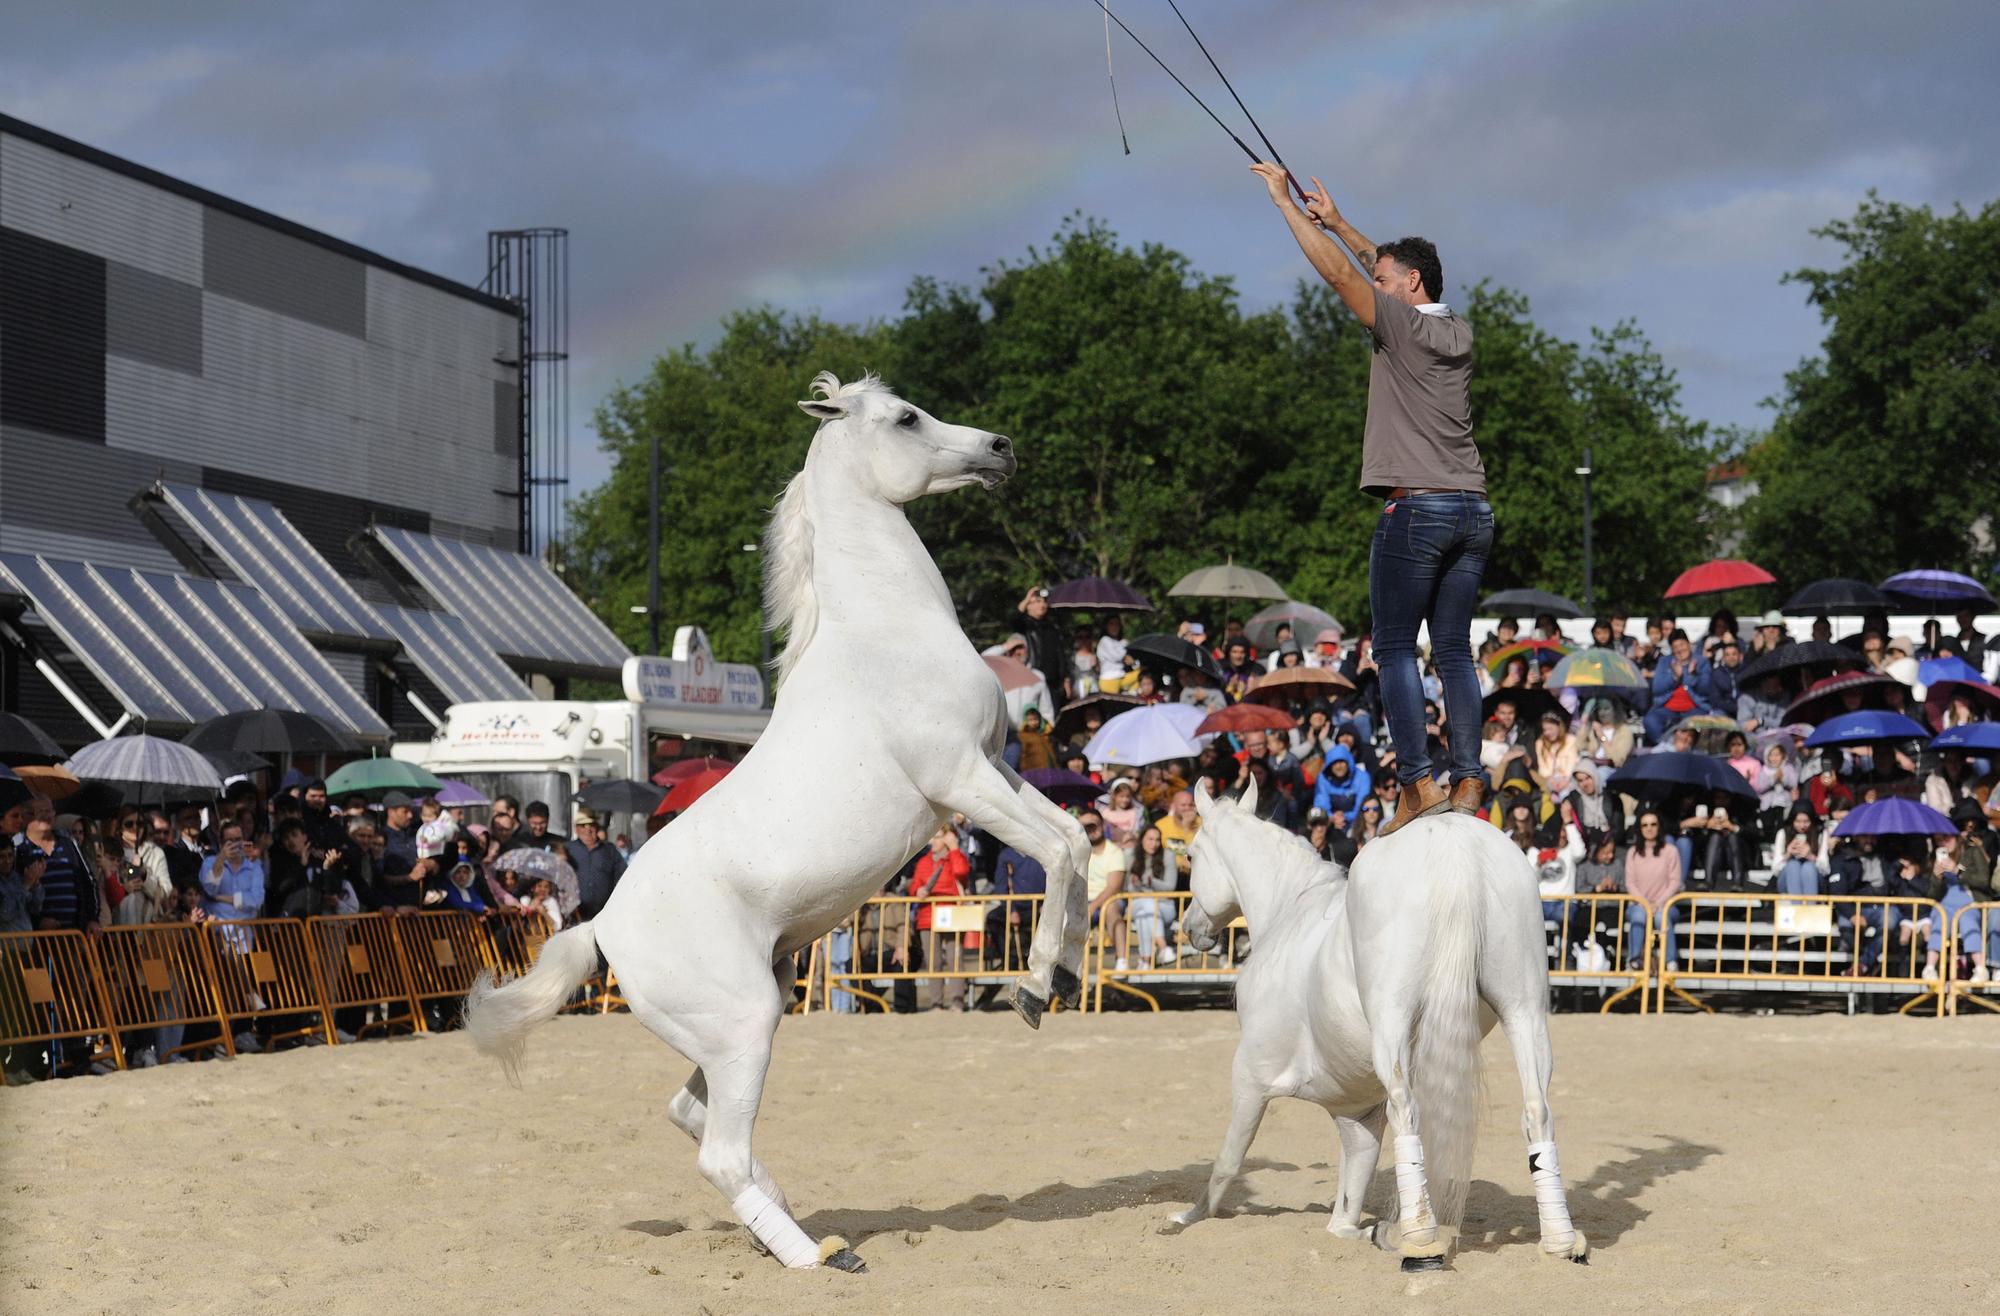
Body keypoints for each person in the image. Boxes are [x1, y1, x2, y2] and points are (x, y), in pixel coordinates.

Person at [1250, 161, 1488, 830]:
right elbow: (1378, 269)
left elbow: (1340, 277)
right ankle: (1468, 778)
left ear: (1408, 286)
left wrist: (1285, 207)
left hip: (1417, 508)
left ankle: (1416, 785)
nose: (1375, 285)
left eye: (1385, 280)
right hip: (1474, 509)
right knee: (1452, 651)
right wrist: (1341, 222)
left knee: (1390, 650)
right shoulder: (1455, 330)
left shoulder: (1401, 327)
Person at [910, 825, 969, 1011]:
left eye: (937, 837)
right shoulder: (923, 862)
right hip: (928, 915)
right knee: (933, 962)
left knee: (955, 959)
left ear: (947, 838)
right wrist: (917, 891)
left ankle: (957, 1002)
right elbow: (914, 887)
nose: (932, 841)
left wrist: (954, 848)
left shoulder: (955, 858)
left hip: (952, 913)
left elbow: (962, 872)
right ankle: (936, 1003)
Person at [1625, 809, 1683, 971]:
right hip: (1639, 905)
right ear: (1640, 828)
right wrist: (1644, 903)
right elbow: (1630, 883)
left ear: (1659, 827)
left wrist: (1658, 903)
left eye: (1653, 824)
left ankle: (1670, 961)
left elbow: (1675, 882)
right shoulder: (1633, 853)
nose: (1649, 828)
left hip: (1665, 905)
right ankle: (1634, 960)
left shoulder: (1670, 851)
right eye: (1644, 825)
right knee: (1638, 915)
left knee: (1660, 916)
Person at [1079, 810, 1130, 972]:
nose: (1090, 830)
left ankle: (1122, 960)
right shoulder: (1077, 852)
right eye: (1085, 827)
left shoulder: (1114, 851)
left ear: (1102, 826)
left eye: (1093, 825)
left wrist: (1092, 907)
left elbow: (1113, 887)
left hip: (1107, 900)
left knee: (1111, 908)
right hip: (1082, 901)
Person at [1644, 630, 1712, 742]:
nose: (1680, 650)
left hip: (1694, 708)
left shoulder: (1701, 662)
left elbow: (1705, 690)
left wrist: (1692, 676)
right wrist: (1675, 677)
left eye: (1682, 645)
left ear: (1688, 644)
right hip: (1666, 708)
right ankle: (1666, 747)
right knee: (1650, 721)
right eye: (1675, 647)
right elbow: (1657, 688)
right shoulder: (1664, 661)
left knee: (1695, 726)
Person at [1126, 825, 1178, 968]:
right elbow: (1129, 889)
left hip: (1164, 906)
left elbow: (1170, 887)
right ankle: (1162, 947)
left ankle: (1145, 960)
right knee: (1146, 905)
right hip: (1138, 903)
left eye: (1157, 840)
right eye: (1149, 839)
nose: (1153, 844)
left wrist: (1151, 882)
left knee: (1145, 914)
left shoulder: (1168, 855)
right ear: (1141, 839)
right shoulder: (1131, 856)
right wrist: (1136, 885)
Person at [564, 809, 627, 922]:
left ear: (597, 826)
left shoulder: (609, 850)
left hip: (604, 916)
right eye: (583, 825)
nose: (588, 829)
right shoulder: (568, 849)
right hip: (575, 916)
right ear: (576, 829)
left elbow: (623, 877)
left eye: (591, 825)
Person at [1012, 587, 1070, 704]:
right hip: (1033, 679)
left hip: (1054, 683)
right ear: (1028, 605)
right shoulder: (1025, 626)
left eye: (1044, 601)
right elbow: (1014, 618)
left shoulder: (1052, 627)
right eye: (1038, 601)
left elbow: (1061, 655)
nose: (1042, 605)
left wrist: (1065, 679)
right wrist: (1027, 598)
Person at [1154, 789, 1201, 891]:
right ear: (1174, 806)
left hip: (1196, 874)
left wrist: (1188, 828)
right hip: (1170, 873)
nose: (1187, 808)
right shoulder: (1161, 825)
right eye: (1183, 805)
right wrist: (1180, 863)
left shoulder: (1201, 823)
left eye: (1190, 805)